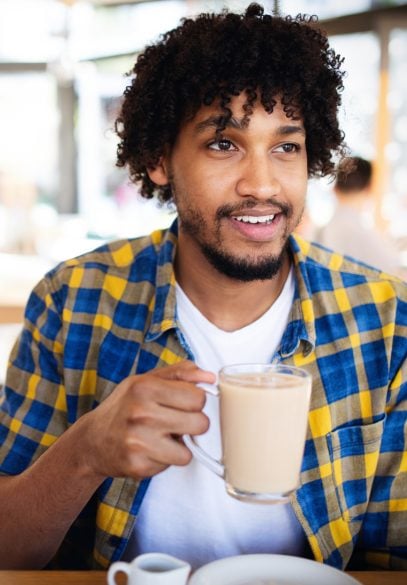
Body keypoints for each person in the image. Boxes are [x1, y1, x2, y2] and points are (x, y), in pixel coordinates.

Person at [0, 2, 406, 573]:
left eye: (286, 146)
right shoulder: (74, 301)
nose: (262, 184)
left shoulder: (384, 320)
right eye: (224, 144)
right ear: (159, 159)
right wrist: (85, 453)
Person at [316, 156, 401, 274]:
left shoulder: (318, 233)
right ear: (370, 188)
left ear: (334, 188)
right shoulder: (366, 236)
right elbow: (394, 274)